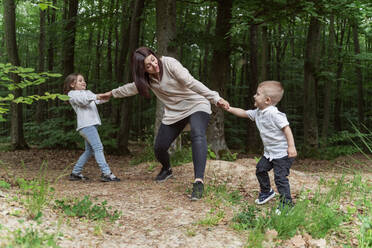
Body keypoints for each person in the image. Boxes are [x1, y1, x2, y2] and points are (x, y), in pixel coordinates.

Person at [99, 47, 229, 200]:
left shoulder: (169, 63)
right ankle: (167, 169)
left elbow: (191, 82)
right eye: (148, 66)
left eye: (153, 60)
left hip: (196, 104)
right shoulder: (146, 79)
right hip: (174, 113)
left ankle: (198, 182)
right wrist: (111, 94)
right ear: (142, 70)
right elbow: (132, 88)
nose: (154, 65)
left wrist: (215, 98)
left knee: (197, 133)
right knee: (159, 147)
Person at [225, 80, 297, 211]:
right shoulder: (258, 112)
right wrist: (229, 108)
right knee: (260, 169)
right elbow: (244, 113)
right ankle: (267, 191)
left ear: (267, 100)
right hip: (269, 154)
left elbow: (287, 128)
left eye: (257, 94)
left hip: (282, 154)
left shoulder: (274, 114)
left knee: (280, 178)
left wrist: (291, 147)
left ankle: (287, 204)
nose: (254, 96)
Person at [64, 73, 120, 182]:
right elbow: (83, 100)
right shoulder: (72, 94)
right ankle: (106, 173)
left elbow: (97, 100)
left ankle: (75, 173)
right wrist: (96, 96)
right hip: (86, 125)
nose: (83, 82)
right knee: (98, 148)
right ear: (72, 84)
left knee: (89, 151)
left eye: (84, 80)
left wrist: (109, 95)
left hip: (90, 125)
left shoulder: (87, 93)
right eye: (80, 80)